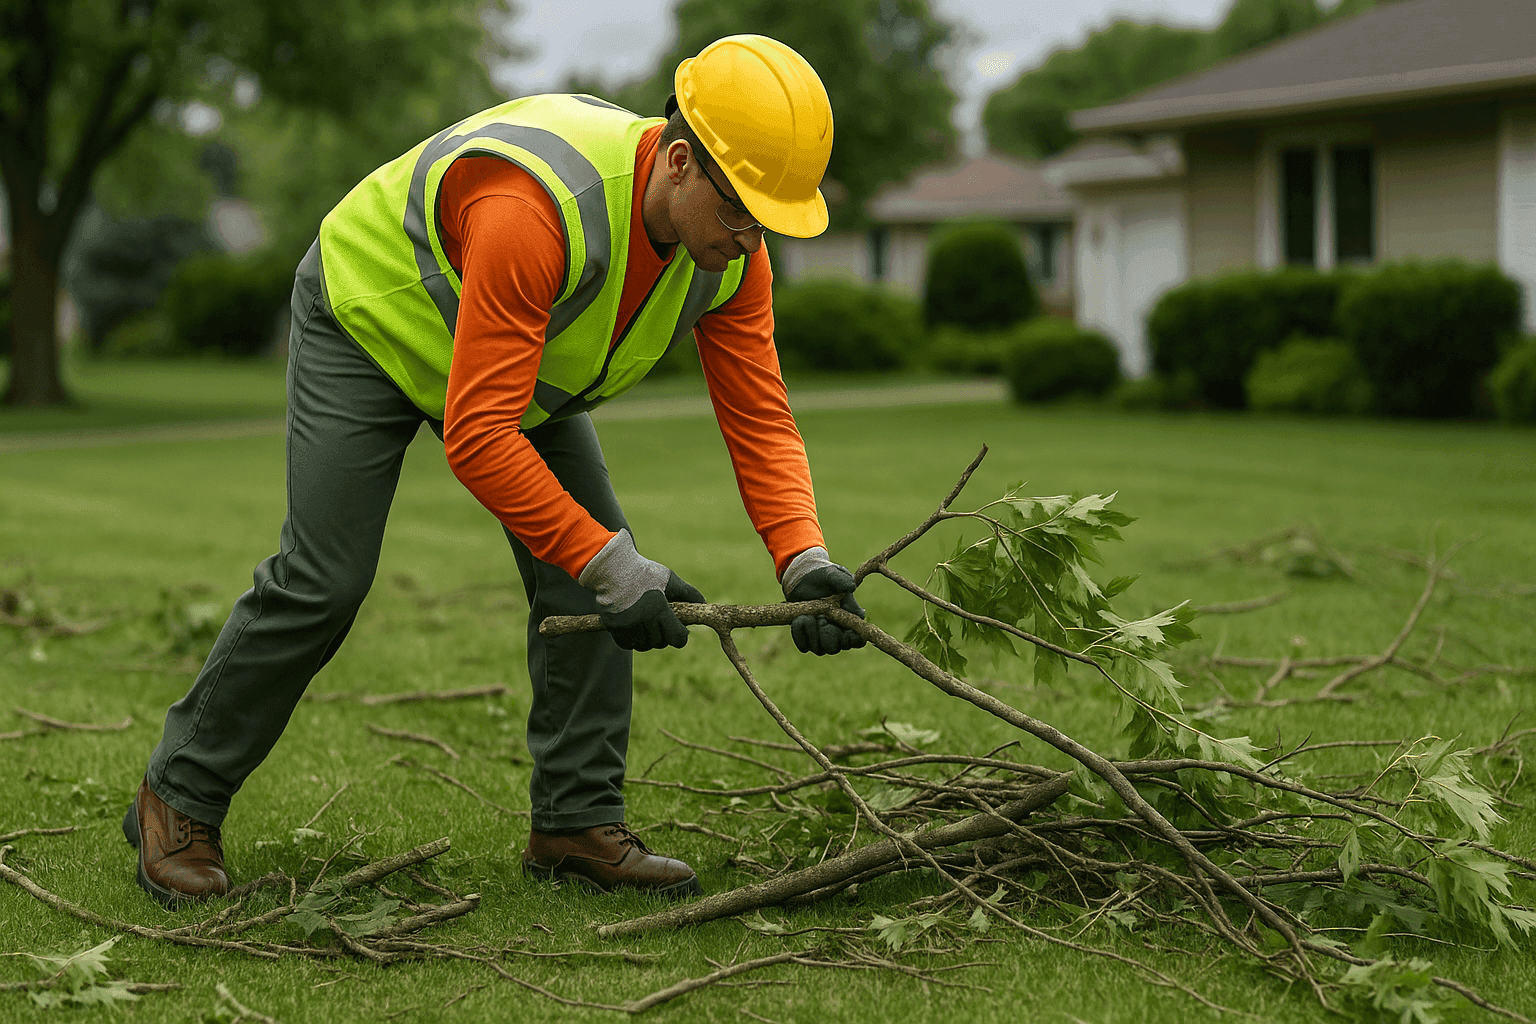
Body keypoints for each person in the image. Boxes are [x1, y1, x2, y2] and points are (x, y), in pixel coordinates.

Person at [122, 34, 867, 905]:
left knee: (587, 570)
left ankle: (573, 823)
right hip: (373, 325)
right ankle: (178, 796)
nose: (750, 239)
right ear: (676, 162)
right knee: (326, 576)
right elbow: (478, 437)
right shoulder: (541, 206)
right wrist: (615, 566)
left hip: (517, 372)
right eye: (741, 211)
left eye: (768, 221)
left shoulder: (730, 258)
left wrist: (805, 560)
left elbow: (760, 414)